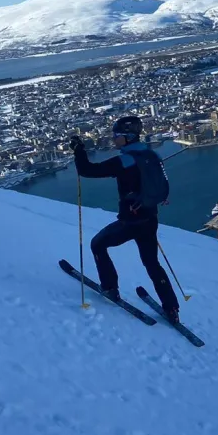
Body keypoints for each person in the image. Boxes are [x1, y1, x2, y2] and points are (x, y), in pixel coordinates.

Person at [68, 115, 181, 323]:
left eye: (117, 135)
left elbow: (88, 171)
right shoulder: (151, 154)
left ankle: (110, 288)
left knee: (98, 244)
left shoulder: (125, 160)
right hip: (150, 219)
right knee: (152, 263)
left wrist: (78, 150)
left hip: (131, 222)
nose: (114, 139)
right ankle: (172, 308)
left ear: (128, 137)